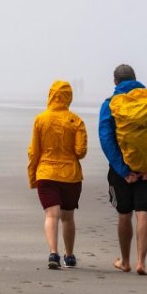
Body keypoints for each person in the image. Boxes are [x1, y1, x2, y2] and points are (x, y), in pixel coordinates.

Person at [99, 64, 147, 275]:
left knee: (124, 214)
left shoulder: (110, 104)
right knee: (143, 213)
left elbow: (106, 139)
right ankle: (142, 262)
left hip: (123, 170)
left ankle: (125, 261)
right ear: (135, 78)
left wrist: (123, 170)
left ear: (115, 82)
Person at [27, 80, 88, 270]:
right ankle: (69, 256)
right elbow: (81, 151)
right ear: (69, 97)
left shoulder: (40, 119)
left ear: (50, 95)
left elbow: (33, 152)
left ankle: (53, 252)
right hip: (70, 175)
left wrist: (32, 177)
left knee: (51, 215)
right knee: (67, 217)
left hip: (46, 173)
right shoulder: (76, 121)